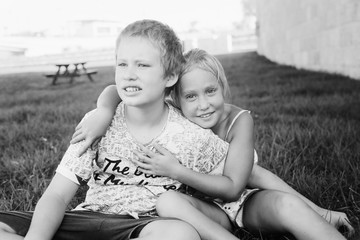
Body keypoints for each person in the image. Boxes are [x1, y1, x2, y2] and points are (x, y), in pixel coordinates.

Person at [72, 48, 354, 240]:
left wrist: (320, 211)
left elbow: (242, 184)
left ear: (223, 87)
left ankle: (323, 220)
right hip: (200, 208)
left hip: (243, 200)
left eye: (210, 91)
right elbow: (113, 90)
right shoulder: (174, 115)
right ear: (175, 99)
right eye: (191, 96)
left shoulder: (238, 119)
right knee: (167, 201)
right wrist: (104, 111)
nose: (204, 105)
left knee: (285, 204)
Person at [0, 20, 242, 240]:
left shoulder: (191, 134)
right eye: (122, 64)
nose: (129, 75)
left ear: (170, 76)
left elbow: (236, 181)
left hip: (144, 226)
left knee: (181, 234)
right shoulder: (97, 123)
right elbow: (57, 195)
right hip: (87, 219)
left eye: (142, 65)